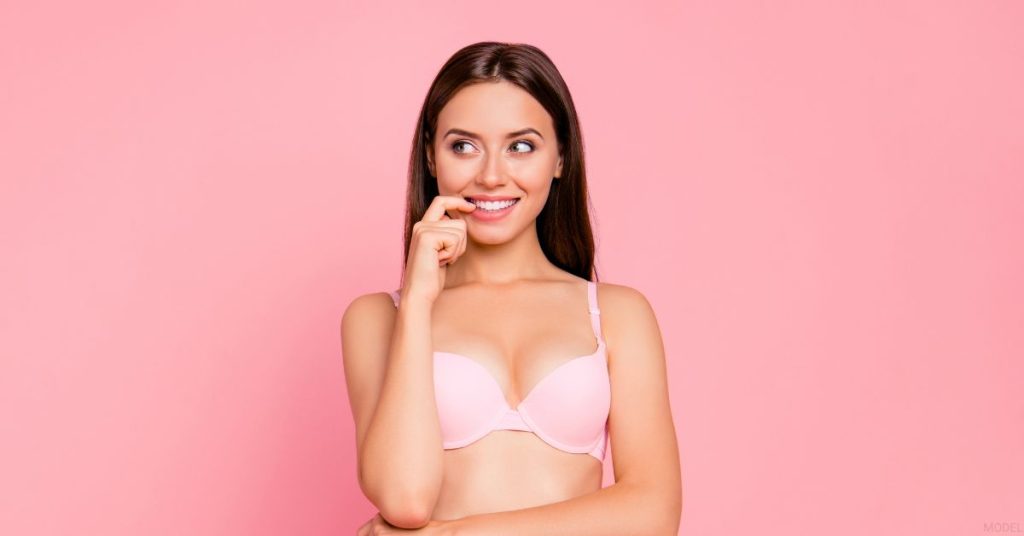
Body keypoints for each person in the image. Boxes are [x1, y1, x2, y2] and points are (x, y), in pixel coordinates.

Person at [341, 41, 682, 535]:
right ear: (432, 158)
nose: (492, 175)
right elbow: (405, 499)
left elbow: (654, 512)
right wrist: (417, 302)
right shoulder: (378, 318)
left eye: (521, 146)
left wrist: (457, 534)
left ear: (560, 158)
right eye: (463, 146)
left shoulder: (616, 314)